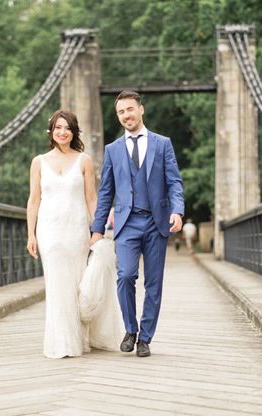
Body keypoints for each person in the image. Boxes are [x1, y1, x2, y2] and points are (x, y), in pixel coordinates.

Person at [90, 90, 185, 357]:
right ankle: (130, 329)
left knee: (153, 283)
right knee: (126, 275)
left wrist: (177, 211)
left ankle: (145, 338)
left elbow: (174, 182)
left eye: (130, 109)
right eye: (121, 112)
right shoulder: (112, 150)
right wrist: (97, 229)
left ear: (141, 110)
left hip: (156, 223)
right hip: (126, 224)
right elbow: (105, 192)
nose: (126, 115)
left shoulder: (162, 144)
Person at [26, 109, 104, 358]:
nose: (63, 132)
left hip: (76, 230)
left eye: (67, 128)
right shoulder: (39, 161)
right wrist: (31, 234)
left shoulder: (85, 160)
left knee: (77, 284)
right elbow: (34, 200)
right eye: (58, 127)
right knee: (57, 285)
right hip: (49, 230)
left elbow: (92, 198)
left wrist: (98, 229)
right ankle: (60, 343)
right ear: (51, 131)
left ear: (74, 132)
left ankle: (79, 339)